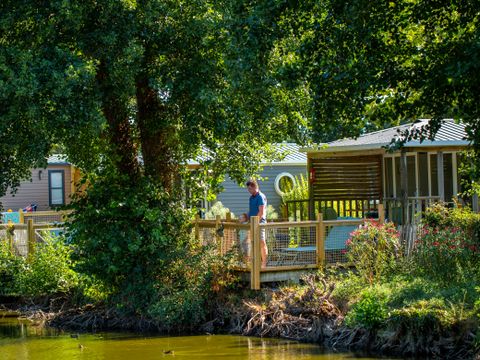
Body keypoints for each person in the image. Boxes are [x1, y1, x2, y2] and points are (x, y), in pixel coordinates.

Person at [246, 179, 268, 268]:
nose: (249, 191)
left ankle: (264, 263)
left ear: (255, 187)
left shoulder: (260, 197)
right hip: (252, 223)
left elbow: (261, 212)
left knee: (262, 242)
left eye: (250, 189)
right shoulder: (251, 198)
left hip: (260, 223)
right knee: (252, 243)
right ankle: (254, 263)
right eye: (248, 189)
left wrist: (255, 223)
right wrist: (246, 217)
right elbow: (252, 211)